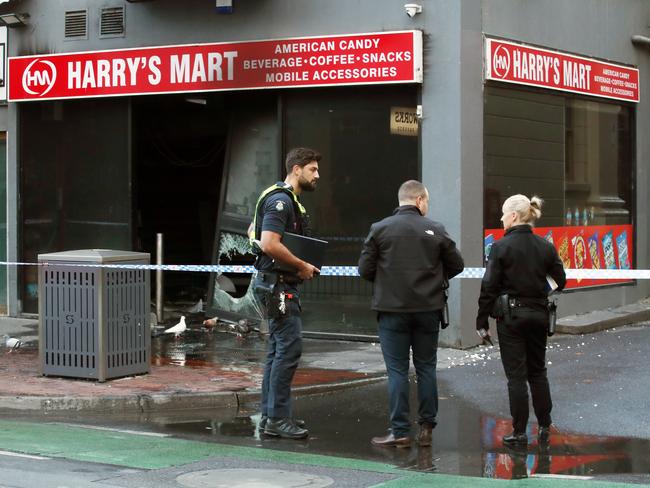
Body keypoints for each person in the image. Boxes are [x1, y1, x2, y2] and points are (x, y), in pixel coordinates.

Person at [358, 180, 464, 448]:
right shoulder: (436, 229)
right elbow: (457, 265)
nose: (427, 206)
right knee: (427, 366)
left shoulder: (379, 229)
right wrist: (433, 278)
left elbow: (364, 270)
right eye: (426, 201)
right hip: (428, 309)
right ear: (419, 200)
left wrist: (387, 281)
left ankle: (400, 430)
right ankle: (427, 427)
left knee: (397, 370)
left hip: (392, 310)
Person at [476, 194, 566, 447]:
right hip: (538, 315)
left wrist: (481, 321)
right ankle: (545, 425)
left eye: (503, 214)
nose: (501, 218)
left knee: (516, 376)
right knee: (538, 372)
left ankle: (519, 432)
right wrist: (541, 291)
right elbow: (561, 280)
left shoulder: (500, 247)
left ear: (513, 216)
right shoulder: (545, 246)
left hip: (511, 317)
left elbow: (489, 287)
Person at [250, 147, 321, 440]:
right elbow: (268, 242)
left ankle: (271, 416)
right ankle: (277, 418)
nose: (318, 175)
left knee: (278, 350)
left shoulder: (282, 199)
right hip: (278, 285)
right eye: (313, 169)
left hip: (275, 282)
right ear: (296, 169)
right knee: (288, 349)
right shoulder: (281, 201)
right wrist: (302, 265)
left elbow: (253, 231)